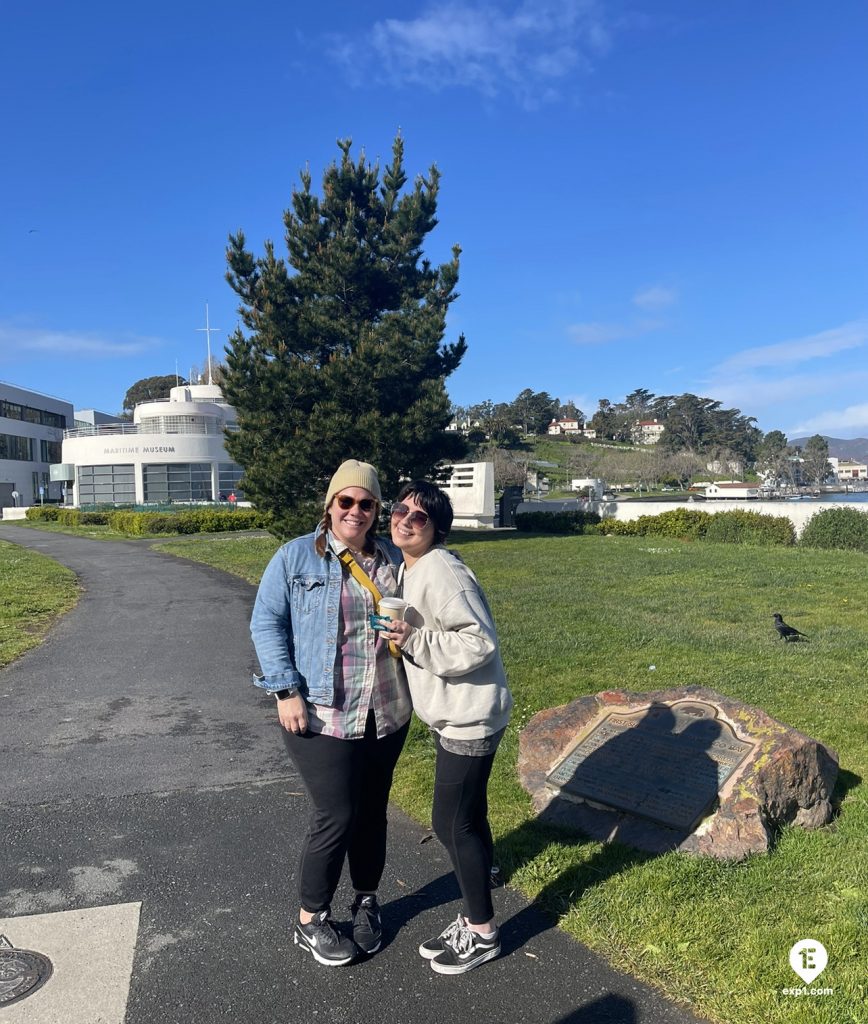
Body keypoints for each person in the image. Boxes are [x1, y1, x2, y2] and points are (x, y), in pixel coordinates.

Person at [250, 460, 411, 967]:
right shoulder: (296, 556)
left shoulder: (393, 560)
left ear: (377, 510)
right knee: (335, 814)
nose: (356, 512)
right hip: (321, 712)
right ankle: (311, 919)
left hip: (385, 710)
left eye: (367, 504)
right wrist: (285, 691)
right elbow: (266, 623)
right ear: (330, 505)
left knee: (371, 813)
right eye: (347, 501)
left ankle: (366, 899)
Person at [383, 480, 512, 975]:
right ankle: (488, 871)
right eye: (400, 510)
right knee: (470, 814)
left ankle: (481, 932)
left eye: (419, 517)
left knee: (448, 823)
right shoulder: (409, 570)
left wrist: (414, 640)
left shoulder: (441, 569)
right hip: (460, 711)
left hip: (469, 716)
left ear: (435, 530)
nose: (405, 520)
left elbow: (479, 643)